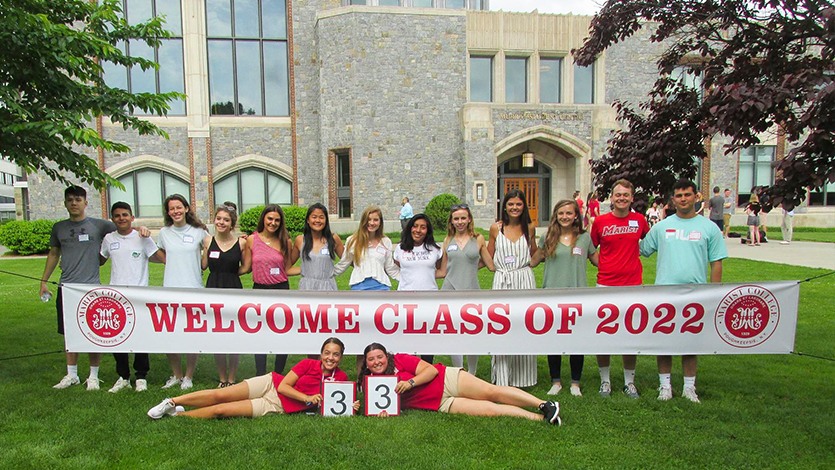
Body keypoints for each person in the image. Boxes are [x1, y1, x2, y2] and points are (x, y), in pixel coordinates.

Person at [640, 179, 727, 403]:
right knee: (665, 341)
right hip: (664, 293)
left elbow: (716, 262)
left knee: (690, 342)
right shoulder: (662, 226)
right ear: (673, 200)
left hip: (695, 294)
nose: (683, 199)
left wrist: (714, 293)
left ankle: (689, 387)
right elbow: (641, 249)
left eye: (687, 195)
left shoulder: (708, 227)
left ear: (696, 196)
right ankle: (665, 386)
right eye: (679, 196)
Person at [148, 338, 357, 419]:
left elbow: (334, 402)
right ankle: (172, 401)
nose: (330, 358)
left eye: (336, 354)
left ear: (341, 357)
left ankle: (176, 416)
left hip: (277, 406)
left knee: (222, 411)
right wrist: (307, 398)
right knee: (221, 394)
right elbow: (284, 386)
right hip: (271, 385)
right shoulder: (307, 364)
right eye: (327, 353)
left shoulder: (341, 377)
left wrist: (351, 405)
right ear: (321, 354)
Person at [358, 343, 560, 425]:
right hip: (438, 403)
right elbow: (382, 407)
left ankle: (544, 404)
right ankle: (541, 418)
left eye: (380, 357)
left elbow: (431, 370)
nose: (376, 362)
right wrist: (383, 414)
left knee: (491, 392)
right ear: (365, 363)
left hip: (446, 380)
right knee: (490, 410)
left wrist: (410, 382)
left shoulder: (400, 359)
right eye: (371, 359)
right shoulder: (371, 383)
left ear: (387, 356)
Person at [40, 186, 117, 390]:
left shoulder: (99, 225)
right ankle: (71, 374)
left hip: (91, 288)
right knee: (70, 333)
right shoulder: (59, 228)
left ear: (85, 203)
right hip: (66, 287)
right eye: (70, 200)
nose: (74, 203)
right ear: (65, 203)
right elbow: (54, 254)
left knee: (94, 332)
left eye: (78, 199)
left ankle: (93, 375)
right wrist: (44, 281)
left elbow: (122, 229)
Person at [531, 200, 598, 397]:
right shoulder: (548, 238)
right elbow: (533, 261)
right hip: (552, 296)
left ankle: (575, 383)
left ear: (576, 215)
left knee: (577, 340)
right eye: (561, 213)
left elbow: (598, 261)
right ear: (556, 215)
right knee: (554, 340)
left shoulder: (584, 238)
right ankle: (556, 381)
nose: (565, 217)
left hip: (578, 297)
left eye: (569, 213)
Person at [589, 179, 649, 399]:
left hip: (633, 285)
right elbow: (590, 248)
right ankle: (605, 381)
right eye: (617, 195)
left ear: (632, 197)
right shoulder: (601, 222)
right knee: (604, 335)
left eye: (626, 195)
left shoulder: (640, 221)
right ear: (611, 198)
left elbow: (647, 242)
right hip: (606, 284)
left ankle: (629, 381)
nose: (621, 198)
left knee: (630, 335)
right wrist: (602, 263)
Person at [100, 201, 164, 393]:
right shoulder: (108, 239)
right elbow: (100, 260)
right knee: (117, 336)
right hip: (116, 296)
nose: (122, 218)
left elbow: (161, 258)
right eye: (118, 216)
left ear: (132, 217)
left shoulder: (142, 237)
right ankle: (123, 376)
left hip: (139, 295)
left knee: (140, 336)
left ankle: (141, 376)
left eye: (125, 215)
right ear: (113, 219)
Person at [157, 194, 210, 390]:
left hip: (194, 289)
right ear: (168, 212)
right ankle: (176, 375)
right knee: (170, 335)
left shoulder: (199, 231)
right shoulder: (163, 233)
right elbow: (160, 253)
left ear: (186, 208)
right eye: (171, 209)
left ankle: (188, 376)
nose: (175, 212)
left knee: (191, 335)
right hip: (170, 289)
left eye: (179, 207)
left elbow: (211, 252)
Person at [436, 203, 495, 375]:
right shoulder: (447, 241)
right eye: (456, 219)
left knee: (472, 332)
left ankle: (472, 372)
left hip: (471, 289)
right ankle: (458, 370)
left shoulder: (478, 239)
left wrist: (472, 268)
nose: (460, 221)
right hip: (450, 289)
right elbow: (443, 270)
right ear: (451, 221)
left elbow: (490, 265)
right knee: (452, 331)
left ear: (469, 219)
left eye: (463, 218)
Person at [487, 189, 537, 388]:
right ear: (504, 207)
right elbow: (489, 255)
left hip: (524, 279)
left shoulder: (530, 228)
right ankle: (502, 375)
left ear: (523, 206)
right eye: (511, 204)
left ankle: (523, 376)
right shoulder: (495, 228)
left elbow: (534, 255)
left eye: (518, 204)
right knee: (501, 325)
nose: (514, 208)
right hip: (503, 280)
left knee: (524, 324)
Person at [241, 204, 297, 377]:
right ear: (264, 219)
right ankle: (260, 373)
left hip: (281, 290)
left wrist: (312, 269)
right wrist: (222, 270)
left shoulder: (285, 241)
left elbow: (287, 268)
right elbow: (246, 267)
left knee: (282, 332)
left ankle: (278, 373)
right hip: (259, 290)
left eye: (277, 220)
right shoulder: (252, 239)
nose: (273, 223)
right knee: (260, 333)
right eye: (270, 219)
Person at [202, 202, 248, 388]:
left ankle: (232, 377)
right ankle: (222, 378)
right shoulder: (207, 241)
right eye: (218, 219)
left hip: (233, 289)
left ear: (232, 223)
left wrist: (230, 273)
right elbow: (204, 265)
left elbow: (246, 267)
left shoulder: (242, 242)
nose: (221, 222)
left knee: (233, 334)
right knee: (217, 334)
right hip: (213, 287)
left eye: (226, 220)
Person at [393, 213, 443, 363]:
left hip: (429, 300)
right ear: (409, 228)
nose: (418, 230)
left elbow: (439, 270)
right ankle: (411, 369)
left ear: (428, 230)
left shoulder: (435, 249)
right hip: (405, 300)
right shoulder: (400, 249)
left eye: (423, 227)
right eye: (415, 226)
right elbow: (398, 268)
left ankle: (426, 370)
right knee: (408, 338)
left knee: (427, 339)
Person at [334, 206, 400, 291]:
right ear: (363, 221)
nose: (372, 223)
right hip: (359, 288)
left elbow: (390, 267)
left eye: (375, 220)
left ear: (380, 222)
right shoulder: (353, 241)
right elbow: (343, 263)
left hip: (382, 288)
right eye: (369, 219)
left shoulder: (386, 241)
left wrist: (408, 279)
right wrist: (324, 274)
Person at [288, 203, 344, 291]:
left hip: (328, 288)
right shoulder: (300, 240)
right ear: (308, 220)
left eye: (321, 217)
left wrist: (334, 270)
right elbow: (287, 268)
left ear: (326, 220)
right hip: (306, 287)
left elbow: (347, 260)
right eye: (314, 217)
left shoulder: (333, 239)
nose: (318, 220)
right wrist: (305, 269)